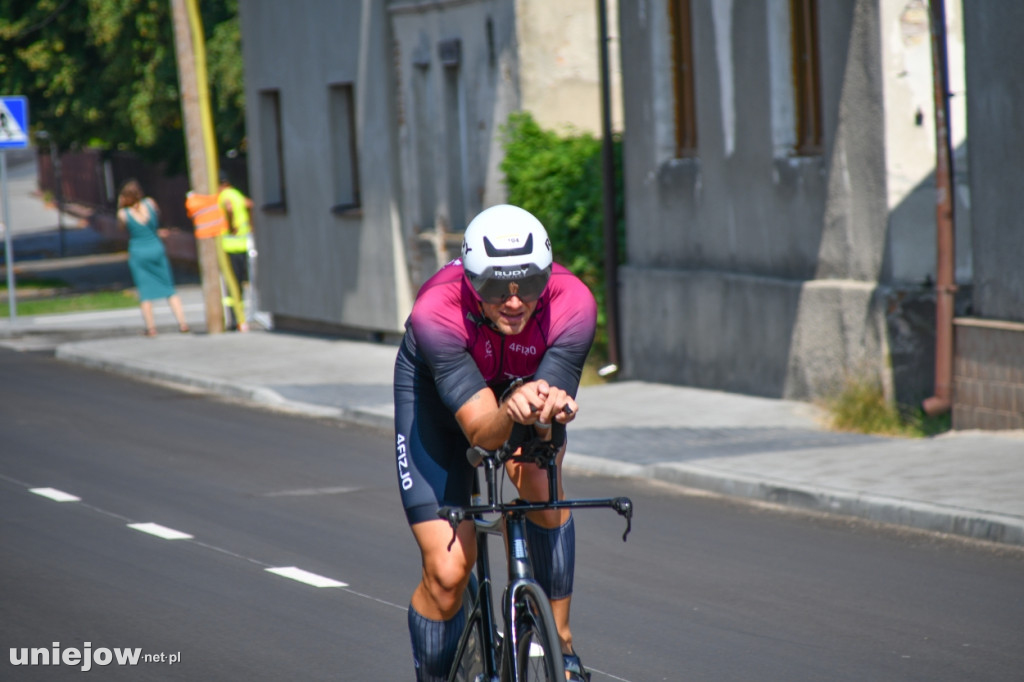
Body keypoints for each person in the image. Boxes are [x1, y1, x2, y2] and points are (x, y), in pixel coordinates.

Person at [393, 204, 597, 682]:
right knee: (447, 574)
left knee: (542, 487)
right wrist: (508, 408)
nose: (514, 302)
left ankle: (558, 642)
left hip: (521, 386)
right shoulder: (436, 311)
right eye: (494, 288)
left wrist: (547, 413)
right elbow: (483, 432)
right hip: (444, 407)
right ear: (469, 280)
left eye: (528, 285)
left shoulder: (574, 304)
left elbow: (542, 421)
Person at [116, 179, 190, 336]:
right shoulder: (150, 203)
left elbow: (122, 228)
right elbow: (157, 219)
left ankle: (151, 328)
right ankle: (182, 323)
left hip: (138, 251)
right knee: (169, 288)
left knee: (145, 292)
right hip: (156, 247)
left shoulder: (124, 213)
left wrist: (123, 205)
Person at [217, 170, 254, 331]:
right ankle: (241, 318)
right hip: (243, 244)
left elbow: (229, 208)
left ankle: (235, 319)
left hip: (230, 246)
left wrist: (231, 225)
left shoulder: (224, 196)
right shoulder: (237, 193)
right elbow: (249, 204)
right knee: (240, 282)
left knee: (232, 284)